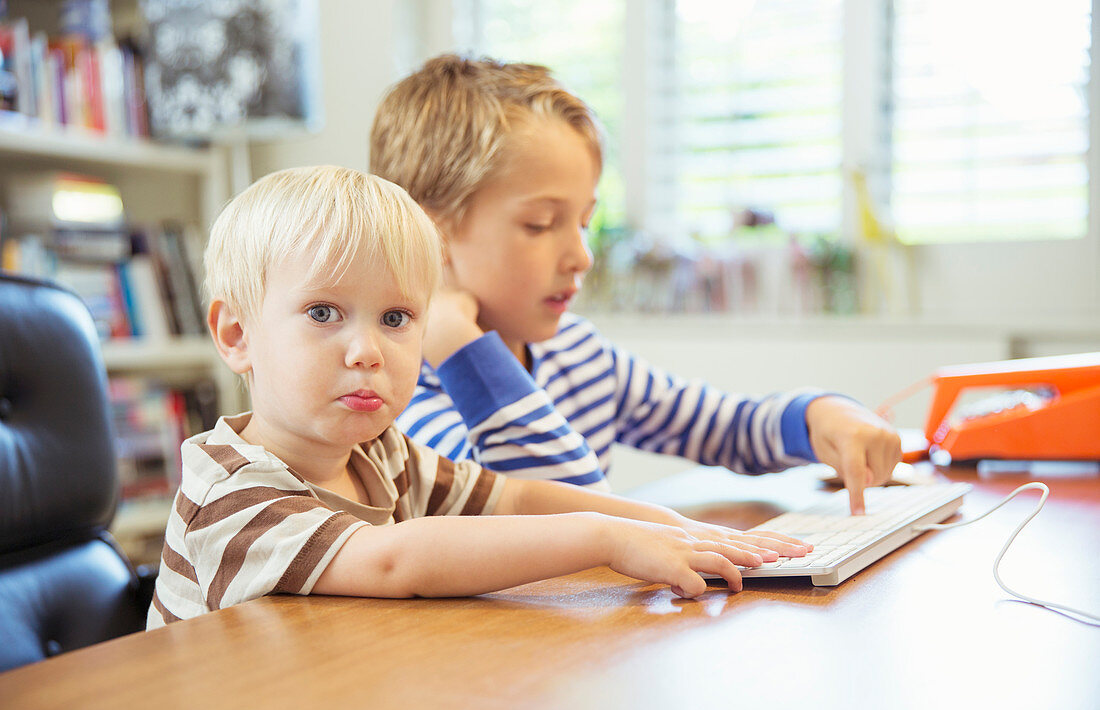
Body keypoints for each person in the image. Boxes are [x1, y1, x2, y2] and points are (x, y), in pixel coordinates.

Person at [147, 165, 813, 628]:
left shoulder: (378, 450)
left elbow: (511, 494)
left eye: (397, 318)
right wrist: (605, 537)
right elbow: (392, 560)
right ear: (236, 336)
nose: (367, 350)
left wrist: (658, 522)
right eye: (324, 313)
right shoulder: (229, 491)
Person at [370, 55, 901, 516]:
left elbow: (722, 426)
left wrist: (820, 416)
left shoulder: (579, 354)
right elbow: (556, 506)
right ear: (431, 234)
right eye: (540, 224)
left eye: (583, 222)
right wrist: (453, 340)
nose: (582, 256)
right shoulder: (391, 392)